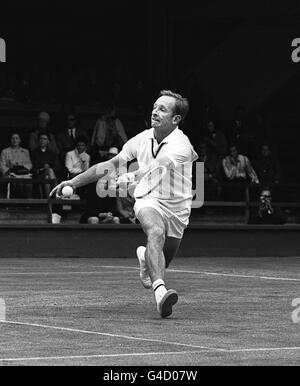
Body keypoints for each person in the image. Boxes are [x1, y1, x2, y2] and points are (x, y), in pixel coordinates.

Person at [52, 90, 198, 318]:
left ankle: (144, 257)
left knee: (162, 259)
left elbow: (159, 166)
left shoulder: (181, 145)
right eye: (154, 107)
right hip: (148, 199)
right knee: (156, 231)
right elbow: (108, 165)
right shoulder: (141, 139)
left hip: (178, 208)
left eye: (162, 109)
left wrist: (131, 176)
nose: (155, 112)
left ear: (176, 119)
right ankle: (161, 294)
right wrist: (74, 181)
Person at [0, 133, 33, 198]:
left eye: (16, 138)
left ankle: (28, 203)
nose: (15, 140)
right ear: (10, 140)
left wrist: (20, 168)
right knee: (18, 182)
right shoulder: (5, 151)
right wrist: (9, 169)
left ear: (19, 140)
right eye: (13, 138)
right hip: (10, 173)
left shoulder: (25, 151)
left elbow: (29, 164)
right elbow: (1, 165)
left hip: (22, 173)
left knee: (28, 183)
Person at [31, 132, 61, 197]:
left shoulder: (52, 153)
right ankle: (56, 192)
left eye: (44, 139)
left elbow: (58, 167)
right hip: (39, 174)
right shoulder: (34, 153)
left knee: (48, 176)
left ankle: (49, 199)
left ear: (48, 141)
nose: (42, 141)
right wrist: (43, 169)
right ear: (38, 141)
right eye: (41, 139)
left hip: (51, 175)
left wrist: (49, 168)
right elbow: (33, 167)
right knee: (48, 173)